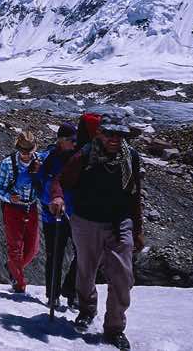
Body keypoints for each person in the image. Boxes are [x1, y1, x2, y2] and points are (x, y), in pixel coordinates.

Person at [50, 114, 144, 351]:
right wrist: (58, 196)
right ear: (100, 133)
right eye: (110, 133)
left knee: (123, 277)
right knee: (86, 271)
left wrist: (138, 230)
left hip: (119, 222)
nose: (115, 139)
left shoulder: (130, 158)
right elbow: (60, 180)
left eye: (120, 134)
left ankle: (114, 328)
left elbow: (134, 195)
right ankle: (86, 310)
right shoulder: (85, 154)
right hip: (86, 221)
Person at [0, 131, 44, 293]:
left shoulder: (40, 161)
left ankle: (13, 267)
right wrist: (9, 197)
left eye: (29, 151)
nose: (26, 155)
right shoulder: (7, 164)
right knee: (15, 247)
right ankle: (20, 283)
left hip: (31, 207)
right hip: (13, 208)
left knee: (33, 248)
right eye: (23, 151)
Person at [39, 122, 79, 308]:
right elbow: (41, 185)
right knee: (55, 255)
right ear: (61, 140)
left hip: (76, 214)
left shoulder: (78, 157)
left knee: (83, 254)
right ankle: (52, 294)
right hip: (53, 214)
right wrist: (50, 202)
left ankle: (71, 290)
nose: (75, 143)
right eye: (72, 140)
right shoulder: (49, 159)